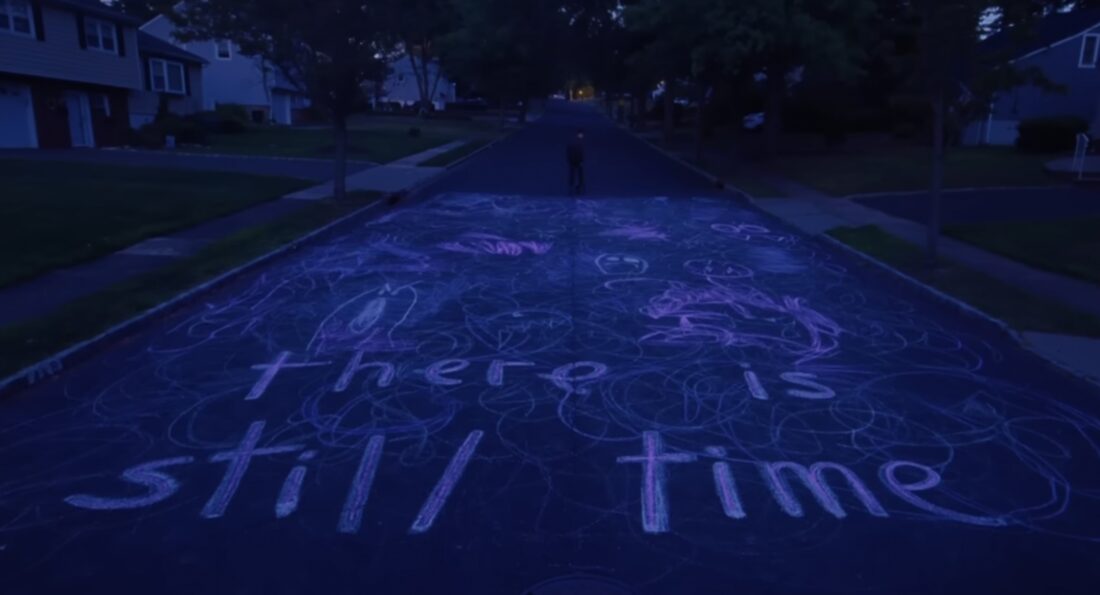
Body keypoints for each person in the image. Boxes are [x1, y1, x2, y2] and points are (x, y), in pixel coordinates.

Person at [566, 129, 586, 195]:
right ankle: (577, 187)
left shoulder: (573, 142)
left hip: (573, 160)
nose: (582, 136)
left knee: (573, 174)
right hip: (576, 160)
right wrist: (581, 160)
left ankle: (572, 186)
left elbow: (569, 151)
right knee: (578, 174)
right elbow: (580, 152)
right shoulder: (579, 142)